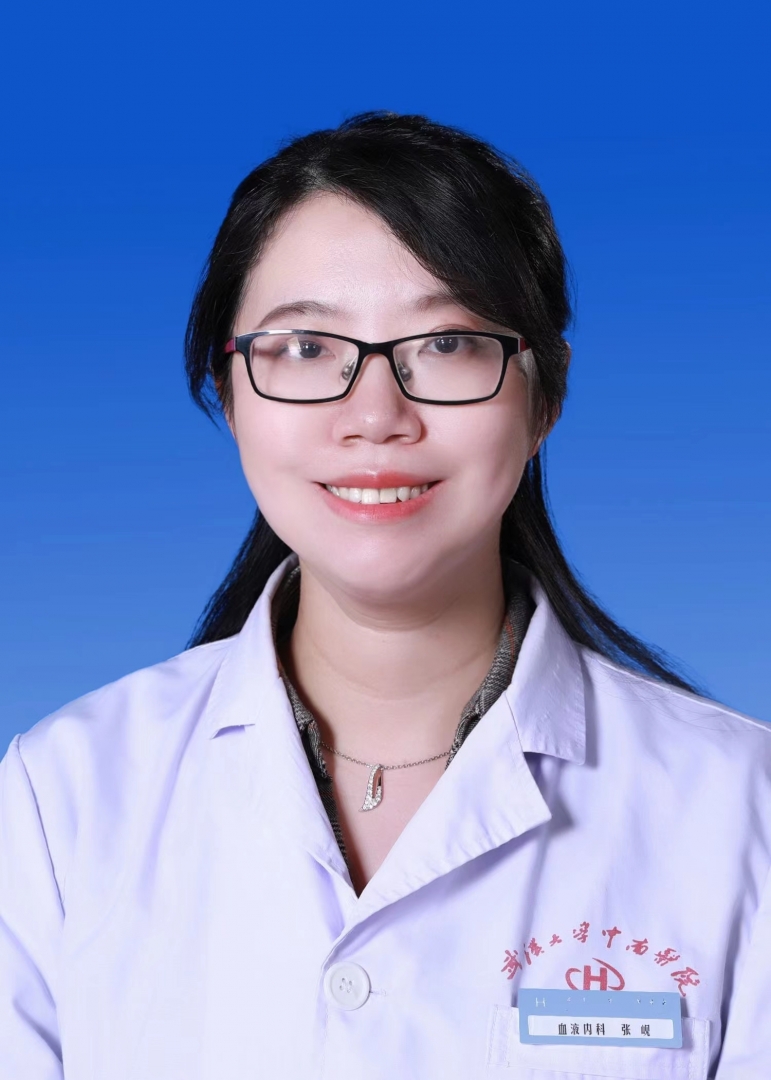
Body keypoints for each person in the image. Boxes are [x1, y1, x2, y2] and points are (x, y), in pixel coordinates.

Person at [1, 111, 768, 1080]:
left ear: (545, 395)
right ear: (227, 391)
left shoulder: (741, 811)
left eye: (445, 343)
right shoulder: (61, 800)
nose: (374, 416)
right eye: (305, 348)